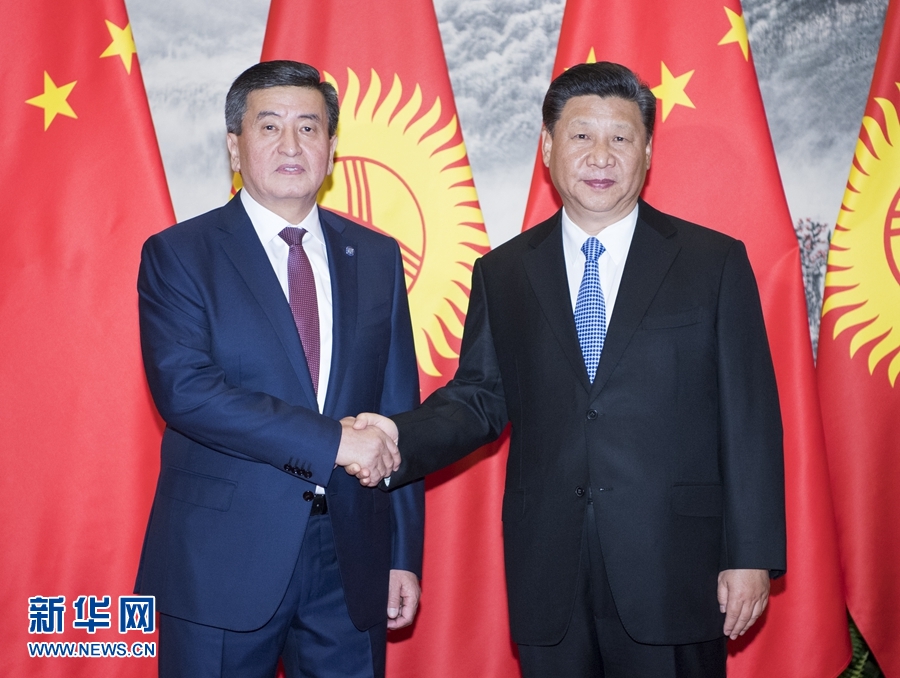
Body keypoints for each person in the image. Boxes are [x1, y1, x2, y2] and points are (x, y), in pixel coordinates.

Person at [350, 61, 786, 678]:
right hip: (548, 566)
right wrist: (397, 435)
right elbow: (479, 398)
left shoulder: (711, 263)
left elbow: (750, 418)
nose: (600, 156)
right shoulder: (504, 272)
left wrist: (752, 554)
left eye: (621, 137)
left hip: (674, 564)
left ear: (648, 151)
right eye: (581, 135)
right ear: (548, 147)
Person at [135, 60, 423, 678]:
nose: (291, 145)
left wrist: (401, 553)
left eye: (309, 127)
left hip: (350, 559)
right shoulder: (180, 255)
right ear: (234, 147)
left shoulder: (376, 256)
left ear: (332, 147)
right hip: (222, 560)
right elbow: (188, 393)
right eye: (269, 127)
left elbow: (397, 409)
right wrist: (334, 442)